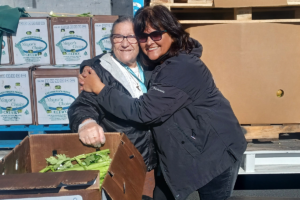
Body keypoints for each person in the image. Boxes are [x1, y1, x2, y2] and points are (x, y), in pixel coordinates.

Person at [79, 5, 247, 200]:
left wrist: (100, 89)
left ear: (172, 33)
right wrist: (90, 67)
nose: (149, 42)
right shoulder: (156, 59)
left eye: (156, 34)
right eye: (143, 36)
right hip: (181, 155)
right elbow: (109, 61)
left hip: (215, 152)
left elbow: (142, 111)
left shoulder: (182, 67)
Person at [68, 16, 157, 174]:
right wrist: (86, 123)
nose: (124, 43)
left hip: (158, 160)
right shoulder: (99, 70)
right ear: (111, 40)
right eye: (118, 37)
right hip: (124, 159)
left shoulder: (151, 64)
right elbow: (84, 104)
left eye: (131, 37)